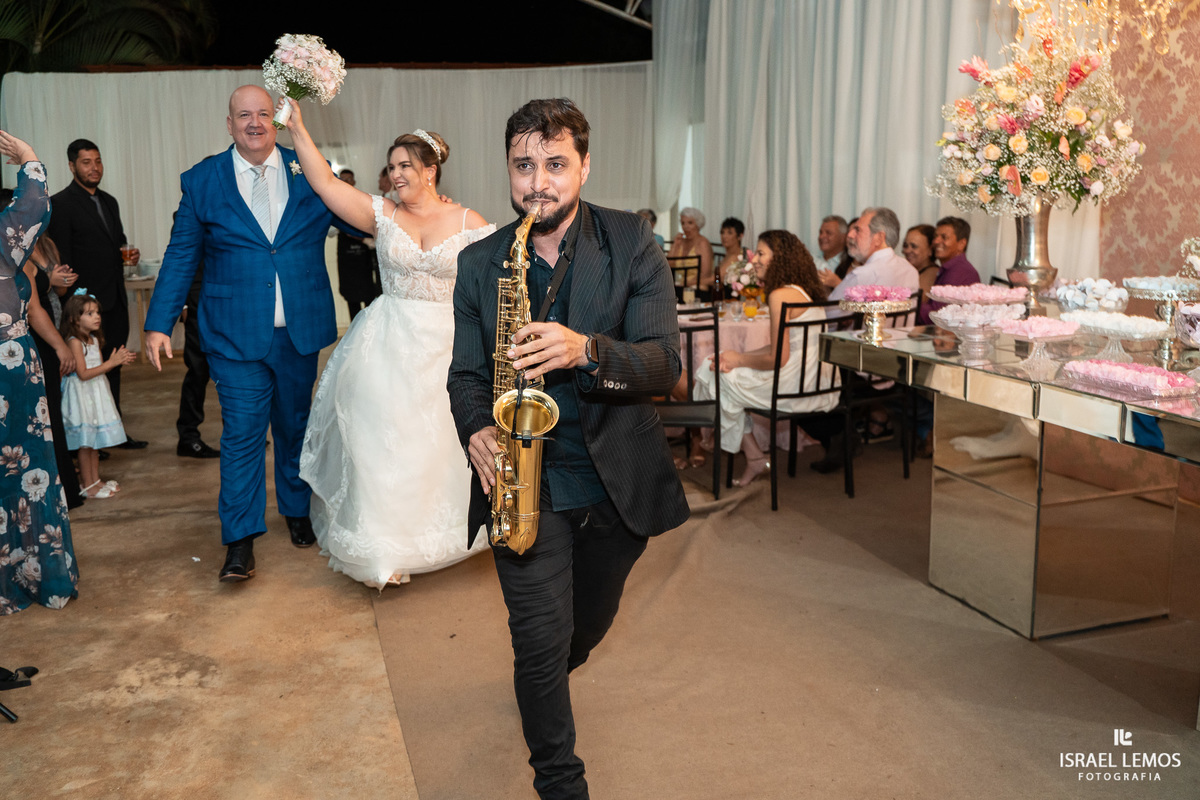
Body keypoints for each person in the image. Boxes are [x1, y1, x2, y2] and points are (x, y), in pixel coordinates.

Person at [449, 98, 689, 800]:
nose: (538, 183)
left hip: (616, 481)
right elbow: (466, 374)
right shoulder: (478, 265)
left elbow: (664, 364)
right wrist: (476, 428)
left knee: (581, 632)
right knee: (538, 639)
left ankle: (550, 676)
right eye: (524, 166)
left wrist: (587, 351)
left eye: (555, 164)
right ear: (509, 170)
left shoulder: (633, 241)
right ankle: (560, 780)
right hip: (526, 486)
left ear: (584, 166)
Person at [144, 85, 358, 583]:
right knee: (241, 435)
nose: (255, 123)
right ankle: (240, 539)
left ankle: (296, 509)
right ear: (229, 124)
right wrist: (157, 324)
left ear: (278, 121)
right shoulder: (202, 181)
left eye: (264, 113)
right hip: (233, 334)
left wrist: (414, 208)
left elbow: (354, 215)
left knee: (295, 426)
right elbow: (181, 254)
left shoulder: (309, 169)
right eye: (245, 115)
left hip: (298, 331)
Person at [279, 99, 495, 588]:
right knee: (379, 445)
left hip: (446, 347)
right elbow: (326, 184)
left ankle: (445, 534)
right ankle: (384, 551)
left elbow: (488, 290)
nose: (395, 174)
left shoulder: (469, 223)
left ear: (431, 169)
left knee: (437, 447)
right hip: (385, 343)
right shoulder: (382, 214)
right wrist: (297, 126)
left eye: (405, 166)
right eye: (392, 166)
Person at [0, 129, 79, 616]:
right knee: (27, 471)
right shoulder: (5, 241)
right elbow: (33, 205)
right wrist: (29, 156)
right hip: (9, 364)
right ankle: (34, 574)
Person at [694, 230, 837, 486]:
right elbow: (781, 346)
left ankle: (731, 445)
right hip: (817, 378)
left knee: (715, 375)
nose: (754, 261)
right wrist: (736, 356)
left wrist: (737, 360)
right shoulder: (799, 291)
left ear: (779, 258)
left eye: (761, 253)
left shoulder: (779, 295)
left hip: (796, 383)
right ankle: (750, 454)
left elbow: (777, 359)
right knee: (718, 366)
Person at [46, 138, 146, 448]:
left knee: (113, 366)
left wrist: (128, 252)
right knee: (84, 373)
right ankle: (88, 441)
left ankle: (112, 432)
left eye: (98, 161)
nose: (94, 168)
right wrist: (72, 308)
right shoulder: (61, 204)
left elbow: (118, 242)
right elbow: (61, 260)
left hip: (113, 300)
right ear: (72, 165)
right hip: (82, 307)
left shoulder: (109, 201)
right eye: (87, 162)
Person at [24, 233, 83, 506]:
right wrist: (61, 347)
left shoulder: (46, 243)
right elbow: (33, 309)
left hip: (53, 325)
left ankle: (66, 482)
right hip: (38, 338)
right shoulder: (17, 253)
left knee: (53, 411)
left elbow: (57, 292)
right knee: (46, 415)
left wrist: (61, 282)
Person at [59, 293, 135, 498]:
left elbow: (99, 368)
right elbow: (83, 374)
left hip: (96, 392)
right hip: (82, 395)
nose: (97, 317)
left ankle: (95, 480)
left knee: (94, 443)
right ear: (74, 318)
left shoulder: (92, 339)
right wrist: (112, 363)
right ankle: (87, 484)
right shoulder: (74, 342)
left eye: (97, 312)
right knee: (86, 443)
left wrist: (113, 362)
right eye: (89, 313)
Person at [175, 263, 220, 459]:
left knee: (235, 374)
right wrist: (183, 304)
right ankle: (188, 437)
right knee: (198, 373)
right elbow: (181, 259)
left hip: (231, 306)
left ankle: (240, 434)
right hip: (198, 306)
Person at [828, 208, 920, 302]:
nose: (850, 235)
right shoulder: (911, 271)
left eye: (857, 230)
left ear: (879, 238)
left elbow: (829, 312)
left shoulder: (862, 275)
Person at [333, 168, 382, 320]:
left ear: (354, 182)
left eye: (349, 180)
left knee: (369, 300)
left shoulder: (362, 200)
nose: (346, 183)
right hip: (347, 261)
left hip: (364, 261)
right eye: (343, 180)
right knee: (352, 301)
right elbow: (333, 229)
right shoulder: (333, 202)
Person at [919, 215, 981, 325]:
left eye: (944, 237)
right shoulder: (950, 268)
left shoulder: (960, 271)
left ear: (961, 244)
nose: (936, 241)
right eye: (936, 236)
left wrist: (909, 303)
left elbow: (939, 316)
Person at [668, 206, 715, 296]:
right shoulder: (681, 242)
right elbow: (669, 265)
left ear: (698, 224)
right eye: (683, 223)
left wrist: (685, 284)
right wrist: (675, 245)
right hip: (680, 288)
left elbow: (706, 274)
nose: (685, 227)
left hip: (698, 288)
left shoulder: (703, 243)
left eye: (690, 223)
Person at [903, 224, 939, 303]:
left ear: (930, 250)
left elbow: (916, 303)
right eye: (905, 245)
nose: (907, 251)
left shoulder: (932, 272)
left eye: (914, 246)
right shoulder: (911, 270)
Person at [716, 216, 752, 289]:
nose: (724, 236)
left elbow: (716, 278)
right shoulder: (728, 254)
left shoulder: (738, 255)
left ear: (740, 236)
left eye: (729, 233)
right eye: (722, 232)